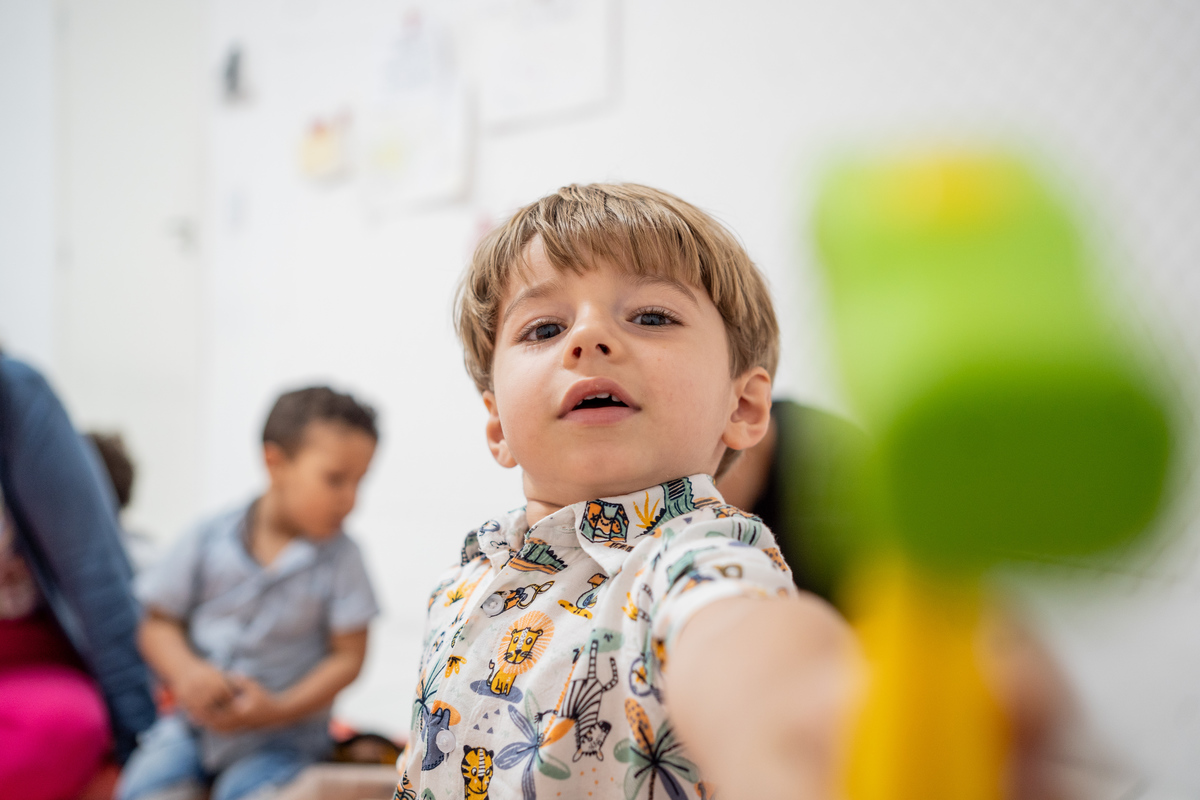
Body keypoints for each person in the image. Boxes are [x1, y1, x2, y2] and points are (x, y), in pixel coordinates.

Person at [397, 183, 856, 800]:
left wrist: (805, 716)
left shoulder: (692, 559)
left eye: (651, 317)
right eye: (544, 327)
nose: (588, 338)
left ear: (743, 407)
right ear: (498, 425)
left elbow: (740, 644)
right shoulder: (459, 587)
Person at [117, 386, 383, 800]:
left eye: (359, 482)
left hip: (283, 739)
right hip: (193, 728)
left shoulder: (343, 559)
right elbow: (157, 622)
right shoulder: (207, 538)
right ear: (275, 463)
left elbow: (349, 656)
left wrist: (279, 708)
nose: (350, 500)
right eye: (335, 480)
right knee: (148, 784)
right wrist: (187, 673)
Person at [0, 353, 157, 800]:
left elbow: (96, 574)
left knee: (66, 726)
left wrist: (140, 745)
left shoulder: (16, 396)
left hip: (26, 665)